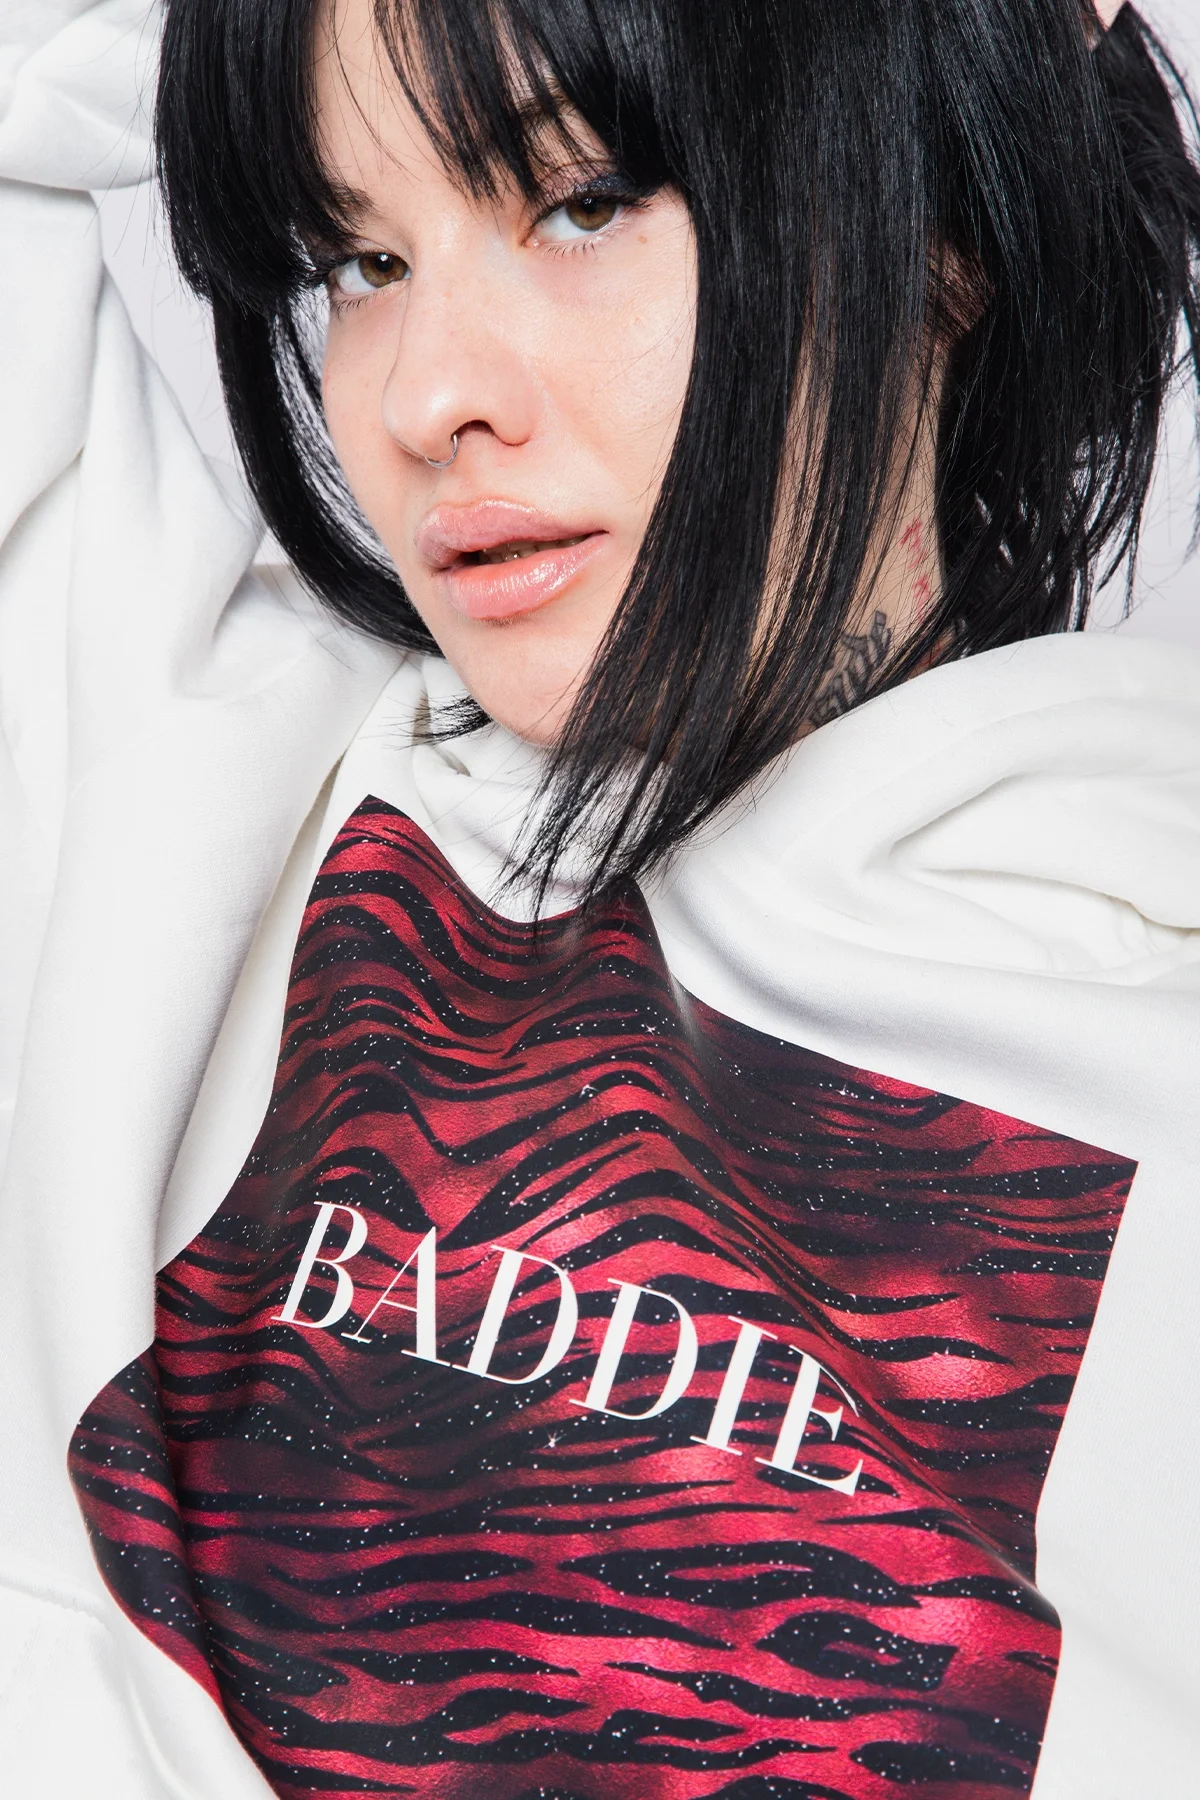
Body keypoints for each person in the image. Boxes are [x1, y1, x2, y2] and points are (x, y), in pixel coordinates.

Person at [1, 0, 1199, 1795]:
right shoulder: (196, 768)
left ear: (939, 232)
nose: (424, 400)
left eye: (581, 202)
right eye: (362, 262)